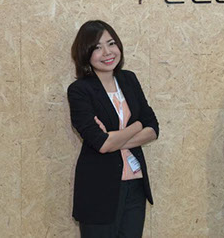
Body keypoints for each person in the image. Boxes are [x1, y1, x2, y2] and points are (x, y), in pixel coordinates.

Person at [67, 20, 159, 237]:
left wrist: (113, 139)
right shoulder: (79, 90)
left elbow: (153, 128)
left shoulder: (129, 80)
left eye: (111, 44)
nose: (107, 52)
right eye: (97, 47)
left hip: (135, 185)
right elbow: (100, 143)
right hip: (98, 189)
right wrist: (137, 126)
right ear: (85, 53)